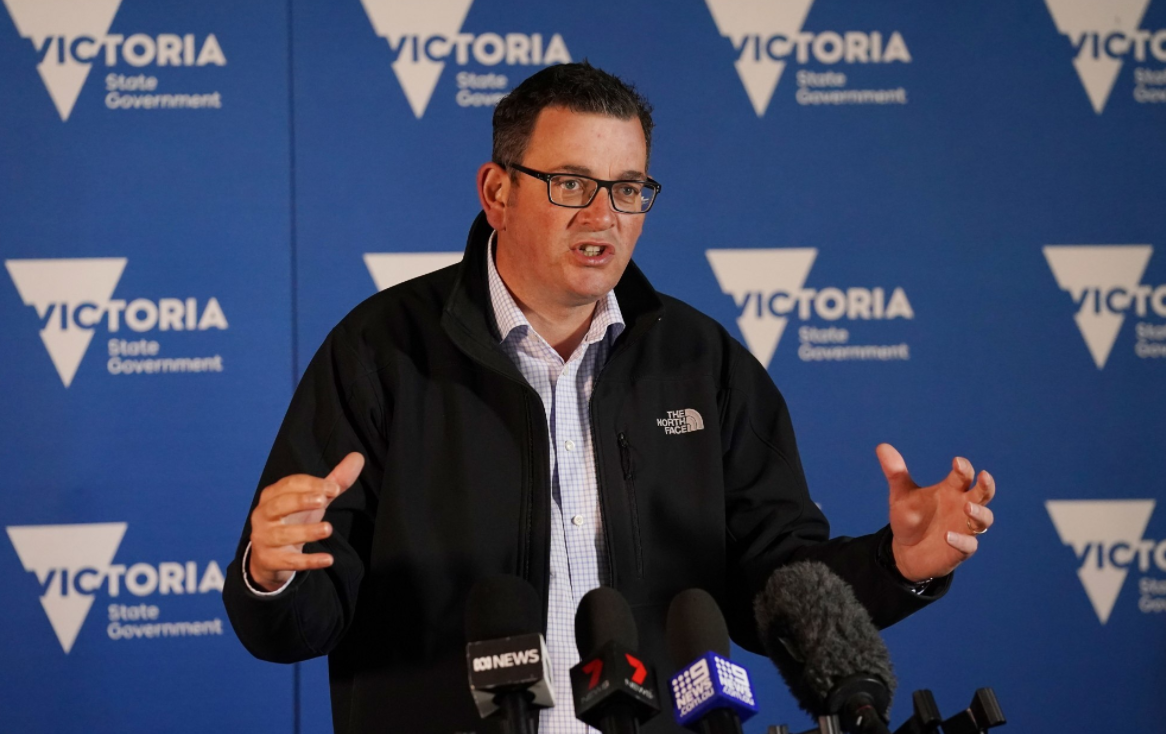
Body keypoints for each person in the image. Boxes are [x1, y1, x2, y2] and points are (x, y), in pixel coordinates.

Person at [223, 62, 996, 734]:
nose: (604, 217)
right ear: (497, 191)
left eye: (628, 189)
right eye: (571, 185)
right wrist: (272, 570)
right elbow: (300, 622)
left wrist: (899, 564)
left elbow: (777, 583)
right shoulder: (380, 352)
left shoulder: (703, 362)